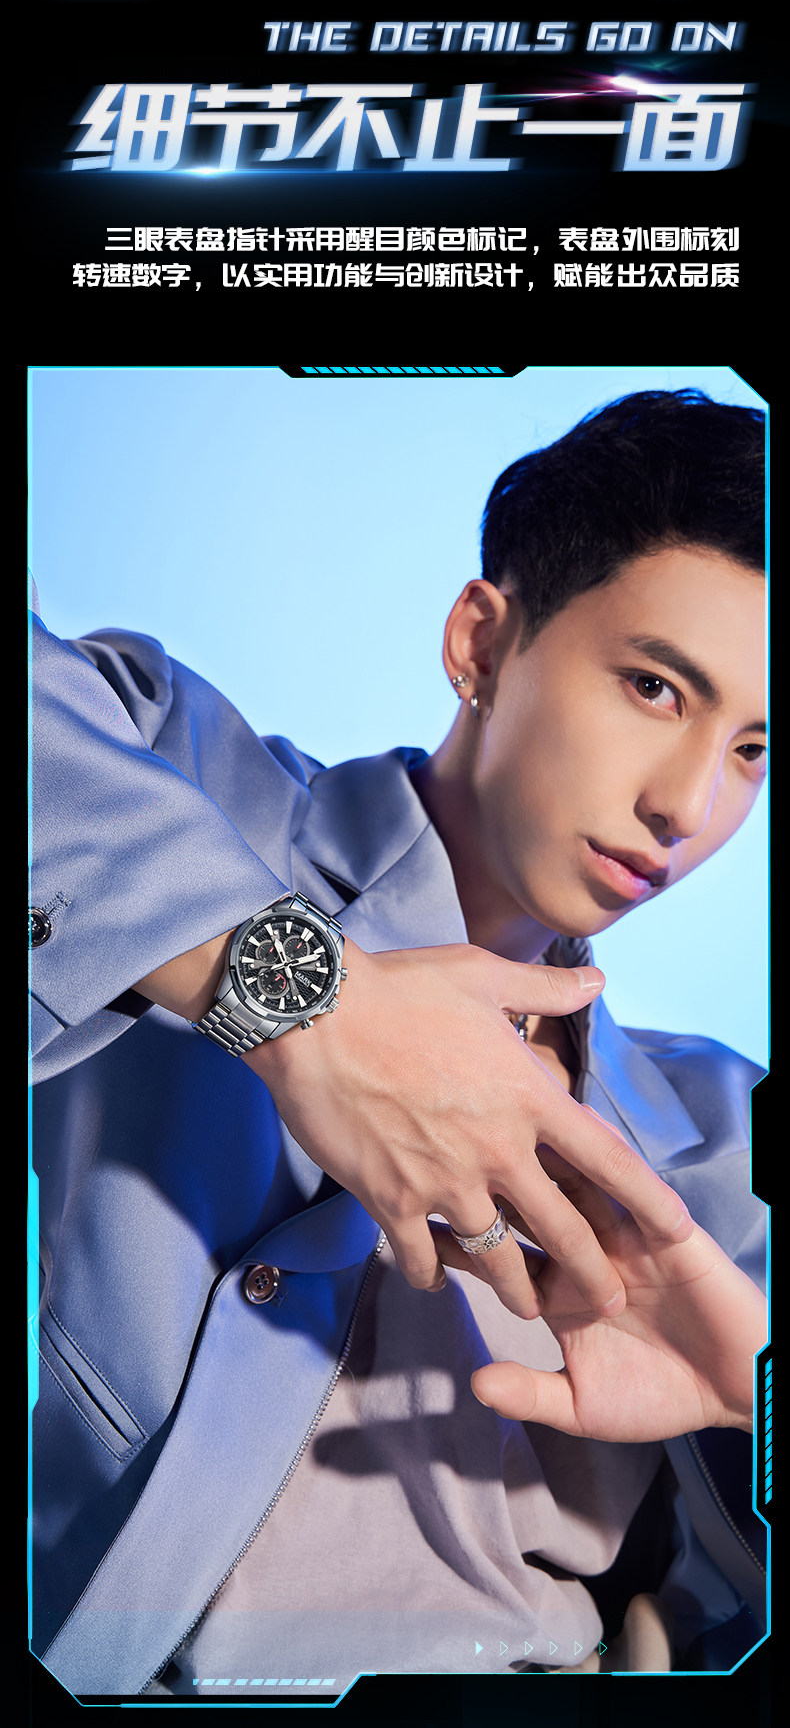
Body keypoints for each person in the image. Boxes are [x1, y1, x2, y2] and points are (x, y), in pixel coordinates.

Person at [29, 389, 768, 1695]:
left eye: (755, 750)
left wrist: (749, 1407)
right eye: (654, 687)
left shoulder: (717, 1135)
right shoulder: (182, 773)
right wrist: (305, 1003)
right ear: (481, 642)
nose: (687, 804)